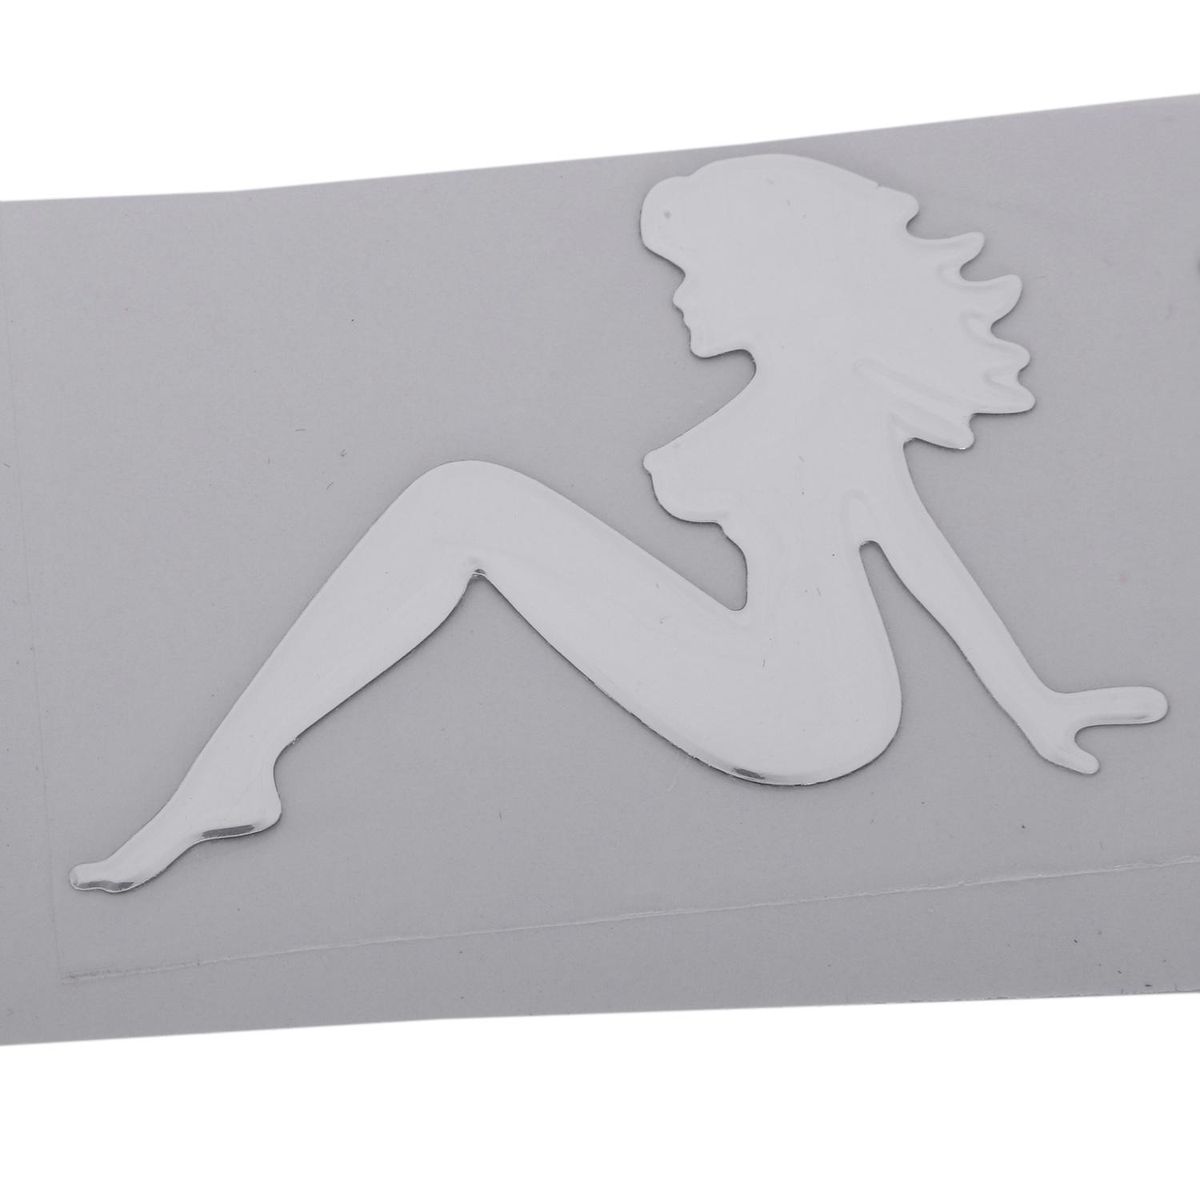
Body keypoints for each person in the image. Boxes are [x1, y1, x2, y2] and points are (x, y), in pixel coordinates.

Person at [70, 154, 1167, 893]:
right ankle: (232, 772)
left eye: (696, 274)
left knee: (462, 501)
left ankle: (230, 773)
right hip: (762, 666)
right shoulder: (800, 406)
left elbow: (925, 563)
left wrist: (1036, 705)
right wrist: (1032, 704)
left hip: (806, 707)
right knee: (463, 502)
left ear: (772, 279)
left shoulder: (841, 417)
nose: (681, 297)